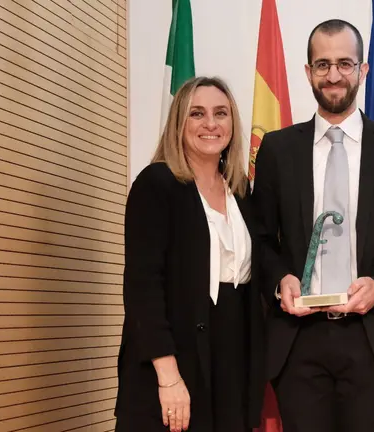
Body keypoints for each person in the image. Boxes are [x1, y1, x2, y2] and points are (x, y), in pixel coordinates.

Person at [252, 19, 374, 432]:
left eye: (345, 64)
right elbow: (260, 240)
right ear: (308, 71)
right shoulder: (278, 149)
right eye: (323, 64)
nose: (334, 75)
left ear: (363, 70)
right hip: (299, 341)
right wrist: (280, 279)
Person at [114, 76, 264, 432]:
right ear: (179, 123)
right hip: (173, 361)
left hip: (230, 369)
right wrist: (168, 379)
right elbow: (142, 289)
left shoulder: (240, 192)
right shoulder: (156, 184)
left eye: (221, 113)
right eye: (197, 113)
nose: (210, 124)